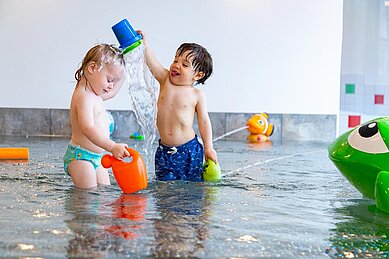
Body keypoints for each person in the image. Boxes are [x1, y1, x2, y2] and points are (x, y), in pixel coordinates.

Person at [138, 31, 218, 181]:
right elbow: (151, 62)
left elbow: (204, 122)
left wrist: (208, 147)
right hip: (164, 151)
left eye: (185, 64)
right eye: (175, 60)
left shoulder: (196, 95)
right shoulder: (165, 80)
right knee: (164, 192)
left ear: (198, 75)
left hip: (188, 151)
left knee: (190, 190)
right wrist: (144, 45)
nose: (176, 65)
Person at [63, 44, 130, 189]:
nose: (111, 86)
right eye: (109, 79)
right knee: (87, 198)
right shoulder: (84, 96)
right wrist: (112, 147)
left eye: (114, 81)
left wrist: (124, 71)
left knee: (103, 192)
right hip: (81, 157)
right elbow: (87, 128)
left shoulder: (94, 93)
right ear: (92, 68)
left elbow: (113, 93)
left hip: (97, 157)